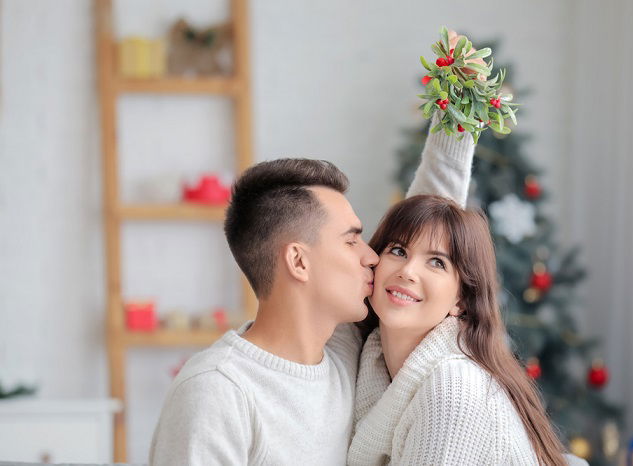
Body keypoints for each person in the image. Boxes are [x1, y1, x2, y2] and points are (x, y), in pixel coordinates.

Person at [148, 113, 476, 465]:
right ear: (299, 262)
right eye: (352, 241)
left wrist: (459, 110)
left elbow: (428, 226)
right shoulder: (216, 392)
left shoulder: (345, 356)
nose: (373, 257)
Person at [348, 195, 579, 465]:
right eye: (398, 251)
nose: (408, 271)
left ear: (461, 300)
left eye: (437, 262)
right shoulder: (368, 362)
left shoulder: (454, 387)